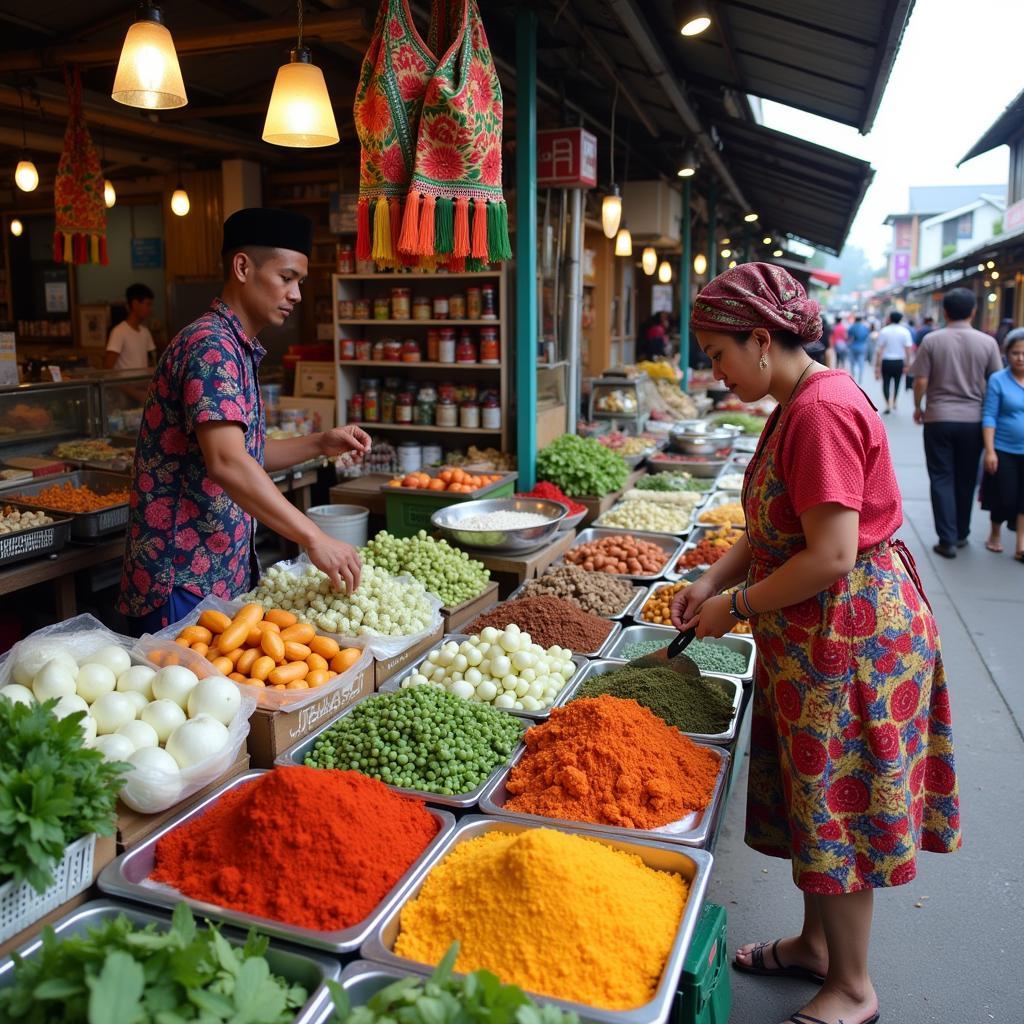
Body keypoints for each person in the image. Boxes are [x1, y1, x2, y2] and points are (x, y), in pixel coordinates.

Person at [670, 263, 960, 1024]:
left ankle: (854, 988)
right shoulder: (795, 398)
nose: (714, 370)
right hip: (814, 632)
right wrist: (711, 581)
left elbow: (830, 554)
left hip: (851, 636)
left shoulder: (820, 412)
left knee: (840, 800)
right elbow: (775, 528)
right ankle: (815, 946)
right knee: (814, 792)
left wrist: (731, 605)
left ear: (762, 340)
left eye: (717, 353)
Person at [118, 208, 371, 635]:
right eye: (286, 278)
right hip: (180, 578)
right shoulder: (211, 347)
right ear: (242, 267)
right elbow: (228, 463)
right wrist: (314, 537)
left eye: (301, 283)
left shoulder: (237, 348)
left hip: (216, 572)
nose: (296, 295)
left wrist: (319, 444)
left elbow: (246, 453)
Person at [910, 287, 1003, 558]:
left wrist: (919, 406)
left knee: (941, 477)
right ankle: (962, 533)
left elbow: (921, 380)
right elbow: (995, 382)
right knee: (966, 478)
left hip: (938, 418)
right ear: (973, 312)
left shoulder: (932, 340)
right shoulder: (988, 343)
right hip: (974, 420)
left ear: (945, 311)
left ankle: (946, 539)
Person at [980, 329, 1024, 559]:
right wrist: (990, 450)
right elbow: (990, 416)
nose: (1021, 358)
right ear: (1006, 354)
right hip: (1004, 448)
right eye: (1016, 353)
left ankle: (1021, 543)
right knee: (1005, 496)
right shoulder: (998, 379)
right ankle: (995, 532)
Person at [105, 283, 156, 370]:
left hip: (142, 383)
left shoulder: (145, 332)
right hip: (124, 383)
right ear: (135, 304)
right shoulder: (119, 331)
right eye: (147, 304)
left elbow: (152, 361)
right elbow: (108, 367)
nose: (150, 309)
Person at [873, 311, 914, 414]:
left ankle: (887, 404)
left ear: (890, 318)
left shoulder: (884, 331)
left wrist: (877, 366)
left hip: (886, 361)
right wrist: (907, 364)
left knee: (886, 383)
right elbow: (908, 349)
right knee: (897, 382)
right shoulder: (905, 332)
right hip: (899, 362)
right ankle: (894, 402)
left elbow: (880, 350)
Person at [846, 315, 870, 383]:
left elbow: (849, 338)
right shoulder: (865, 327)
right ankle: (860, 379)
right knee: (861, 363)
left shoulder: (852, 327)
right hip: (862, 347)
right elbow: (867, 338)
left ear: (855, 320)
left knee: (852, 363)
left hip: (853, 347)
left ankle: (853, 377)